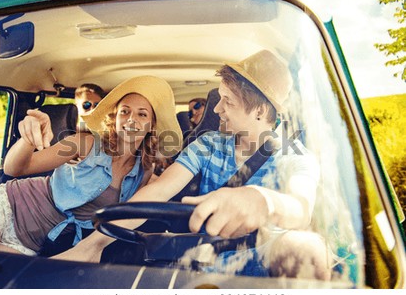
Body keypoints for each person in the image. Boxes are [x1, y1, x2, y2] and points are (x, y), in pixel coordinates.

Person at [54, 50, 332, 280]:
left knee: (307, 248)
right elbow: (158, 191)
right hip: (193, 267)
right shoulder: (208, 143)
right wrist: (92, 247)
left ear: (260, 111)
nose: (216, 109)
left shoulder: (295, 156)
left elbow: (301, 206)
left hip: (259, 278)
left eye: (228, 101)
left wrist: (265, 201)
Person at [0, 75, 182, 259]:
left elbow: (127, 217)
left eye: (142, 114)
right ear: (115, 118)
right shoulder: (84, 142)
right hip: (10, 206)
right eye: (125, 111)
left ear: (151, 125)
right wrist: (28, 139)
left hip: (37, 244)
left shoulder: (145, 171)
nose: (131, 119)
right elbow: (15, 169)